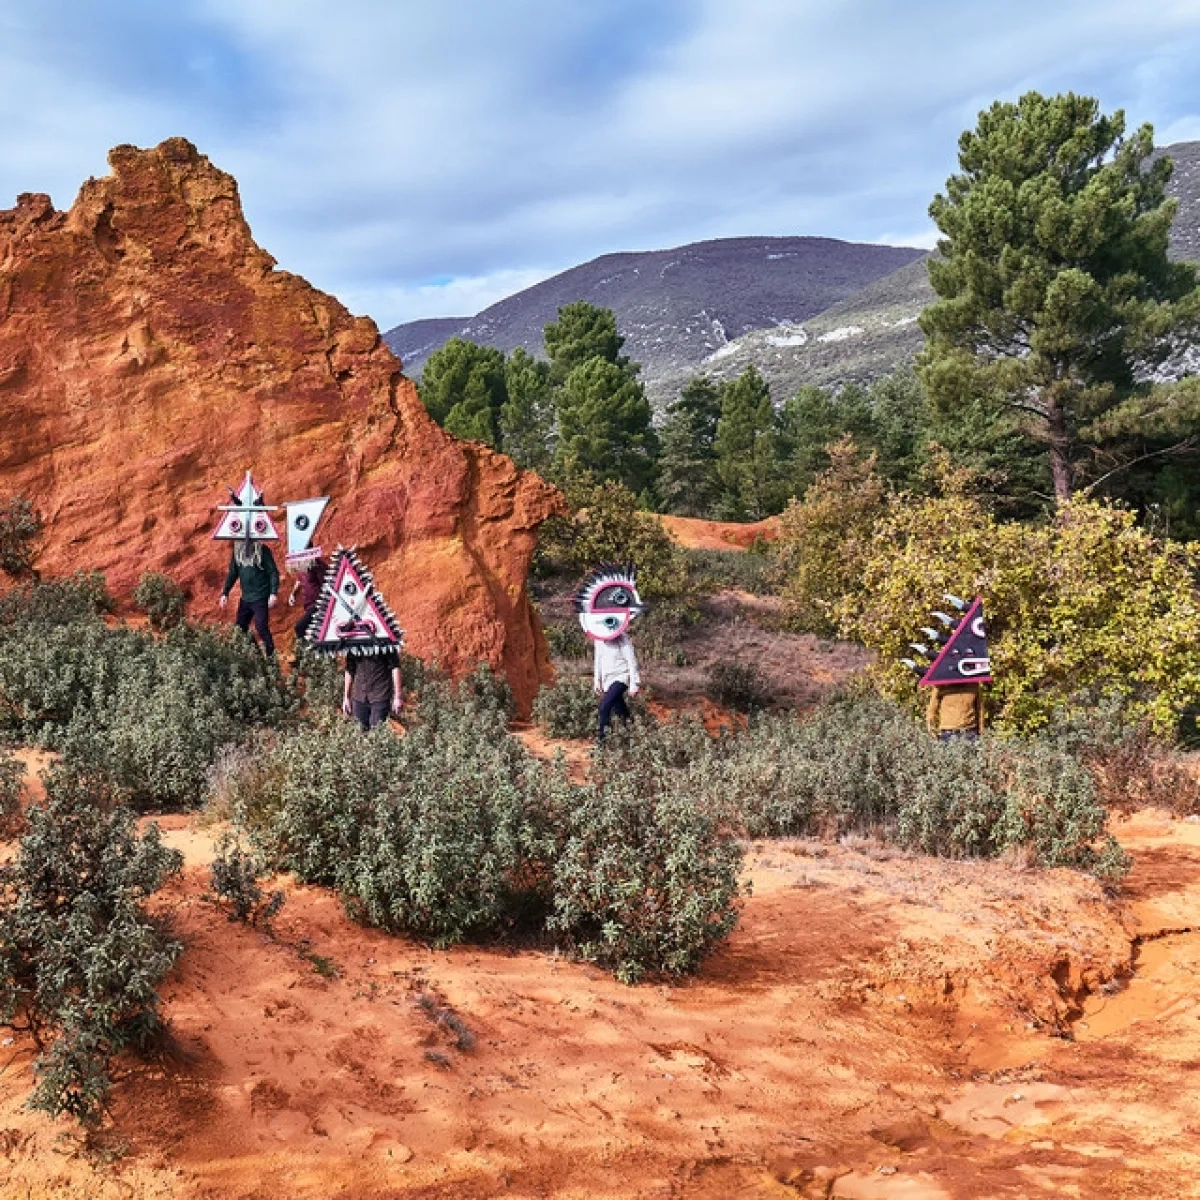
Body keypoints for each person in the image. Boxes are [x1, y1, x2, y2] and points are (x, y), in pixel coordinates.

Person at [218, 540, 280, 655]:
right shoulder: (237, 552)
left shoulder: (262, 550)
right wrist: (225, 593)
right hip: (246, 598)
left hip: (261, 596)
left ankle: (271, 658)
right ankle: (257, 656)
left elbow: (273, 572)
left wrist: (273, 593)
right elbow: (232, 573)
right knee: (240, 627)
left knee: (261, 626)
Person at [342, 649, 403, 731]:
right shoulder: (354, 644)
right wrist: (346, 697)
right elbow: (350, 669)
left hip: (380, 695)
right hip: (359, 696)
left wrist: (397, 697)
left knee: (376, 732)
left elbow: (395, 667)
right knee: (359, 732)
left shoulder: (385, 642)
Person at [594, 631, 639, 742]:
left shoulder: (622, 638)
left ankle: (602, 742)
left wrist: (634, 683)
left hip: (621, 677)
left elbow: (631, 661)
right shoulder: (598, 638)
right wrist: (597, 680)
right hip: (606, 679)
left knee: (604, 706)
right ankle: (632, 732)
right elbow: (598, 660)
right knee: (620, 709)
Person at [287, 553, 328, 642]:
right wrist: (293, 594)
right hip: (309, 606)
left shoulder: (317, 565)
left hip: (319, 606)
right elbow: (299, 580)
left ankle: (305, 653)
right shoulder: (302, 565)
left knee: (300, 627)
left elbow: (327, 584)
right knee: (314, 633)